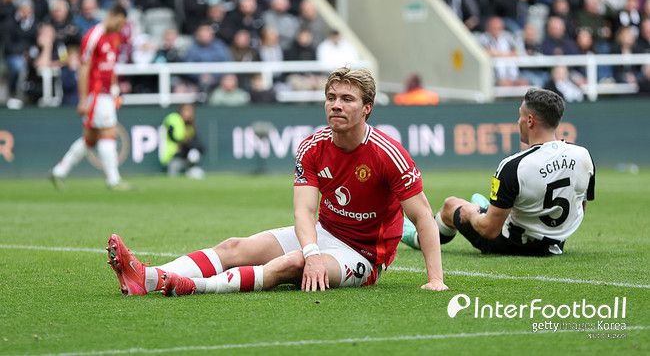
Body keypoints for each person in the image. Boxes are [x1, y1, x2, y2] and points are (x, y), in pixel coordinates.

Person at [107, 67, 448, 296]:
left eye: (347, 100)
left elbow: (422, 217)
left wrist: (435, 280)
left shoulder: (387, 154)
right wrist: (313, 250)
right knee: (234, 247)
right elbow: (304, 211)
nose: (336, 106)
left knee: (293, 263)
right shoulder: (312, 147)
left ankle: (194, 286)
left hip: (364, 256)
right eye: (331, 98)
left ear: (367, 108)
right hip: (324, 233)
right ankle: (148, 277)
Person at [404, 89, 595, 256]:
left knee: (451, 205)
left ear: (530, 120)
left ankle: (417, 237)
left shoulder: (514, 166)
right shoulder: (583, 155)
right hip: (557, 242)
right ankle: (488, 209)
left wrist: (471, 214)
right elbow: (580, 205)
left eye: (520, 116)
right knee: (490, 204)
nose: (518, 121)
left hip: (514, 243)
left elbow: (489, 230)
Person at [50, 3, 131, 191]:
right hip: (96, 94)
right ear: (112, 16)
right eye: (120, 22)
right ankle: (113, 180)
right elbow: (84, 68)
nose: (121, 27)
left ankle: (59, 171)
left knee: (90, 139)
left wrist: (115, 89)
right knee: (108, 133)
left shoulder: (115, 36)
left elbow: (110, 66)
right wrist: (83, 99)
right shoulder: (93, 36)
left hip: (106, 93)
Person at [160, 104, 205, 179]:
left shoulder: (190, 127)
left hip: (184, 157)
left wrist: (187, 142)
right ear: (181, 111)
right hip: (172, 157)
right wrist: (181, 142)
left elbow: (200, 146)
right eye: (186, 111)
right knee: (173, 170)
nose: (189, 114)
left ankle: (191, 170)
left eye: (190, 111)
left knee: (194, 153)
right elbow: (171, 133)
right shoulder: (175, 119)